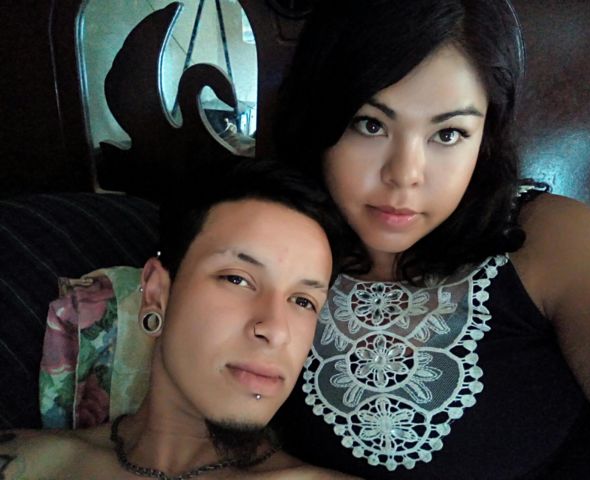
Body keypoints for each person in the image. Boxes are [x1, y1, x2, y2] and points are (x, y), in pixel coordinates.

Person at [272, 0, 590, 478]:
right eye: (370, 124)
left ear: (485, 135)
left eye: (447, 134)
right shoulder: (260, 239)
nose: (405, 175)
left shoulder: (555, 241)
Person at [0, 159, 359, 479]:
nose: (277, 330)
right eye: (237, 279)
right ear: (157, 293)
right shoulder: (29, 462)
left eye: (303, 301)